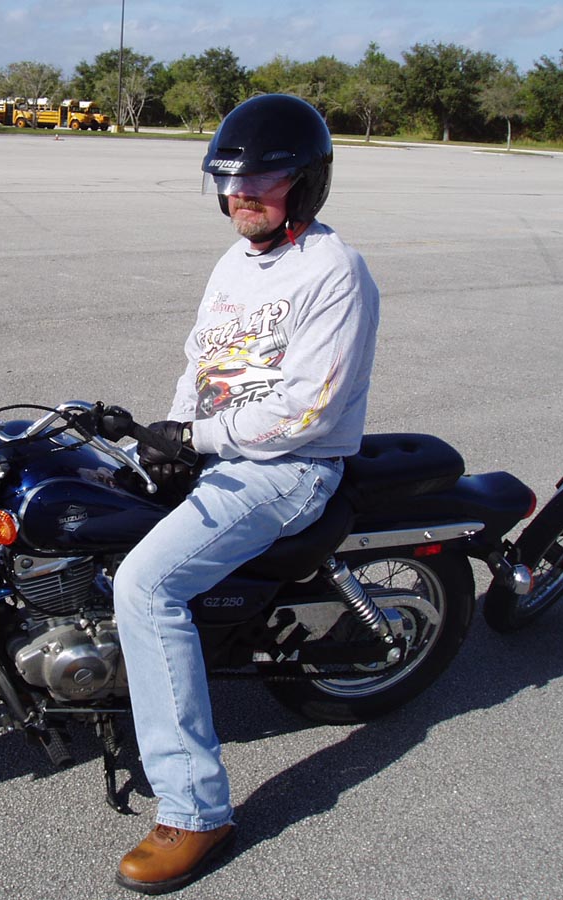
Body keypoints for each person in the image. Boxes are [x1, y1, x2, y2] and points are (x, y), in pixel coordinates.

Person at [111, 94, 380, 894]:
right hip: (220, 449)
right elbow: (202, 365)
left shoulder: (334, 271)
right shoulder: (234, 263)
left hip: (288, 468)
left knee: (146, 586)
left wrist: (197, 441)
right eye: (229, 181)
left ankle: (197, 811)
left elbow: (306, 411)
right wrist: (169, 435)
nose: (241, 195)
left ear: (307, 182)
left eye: (262, 179)